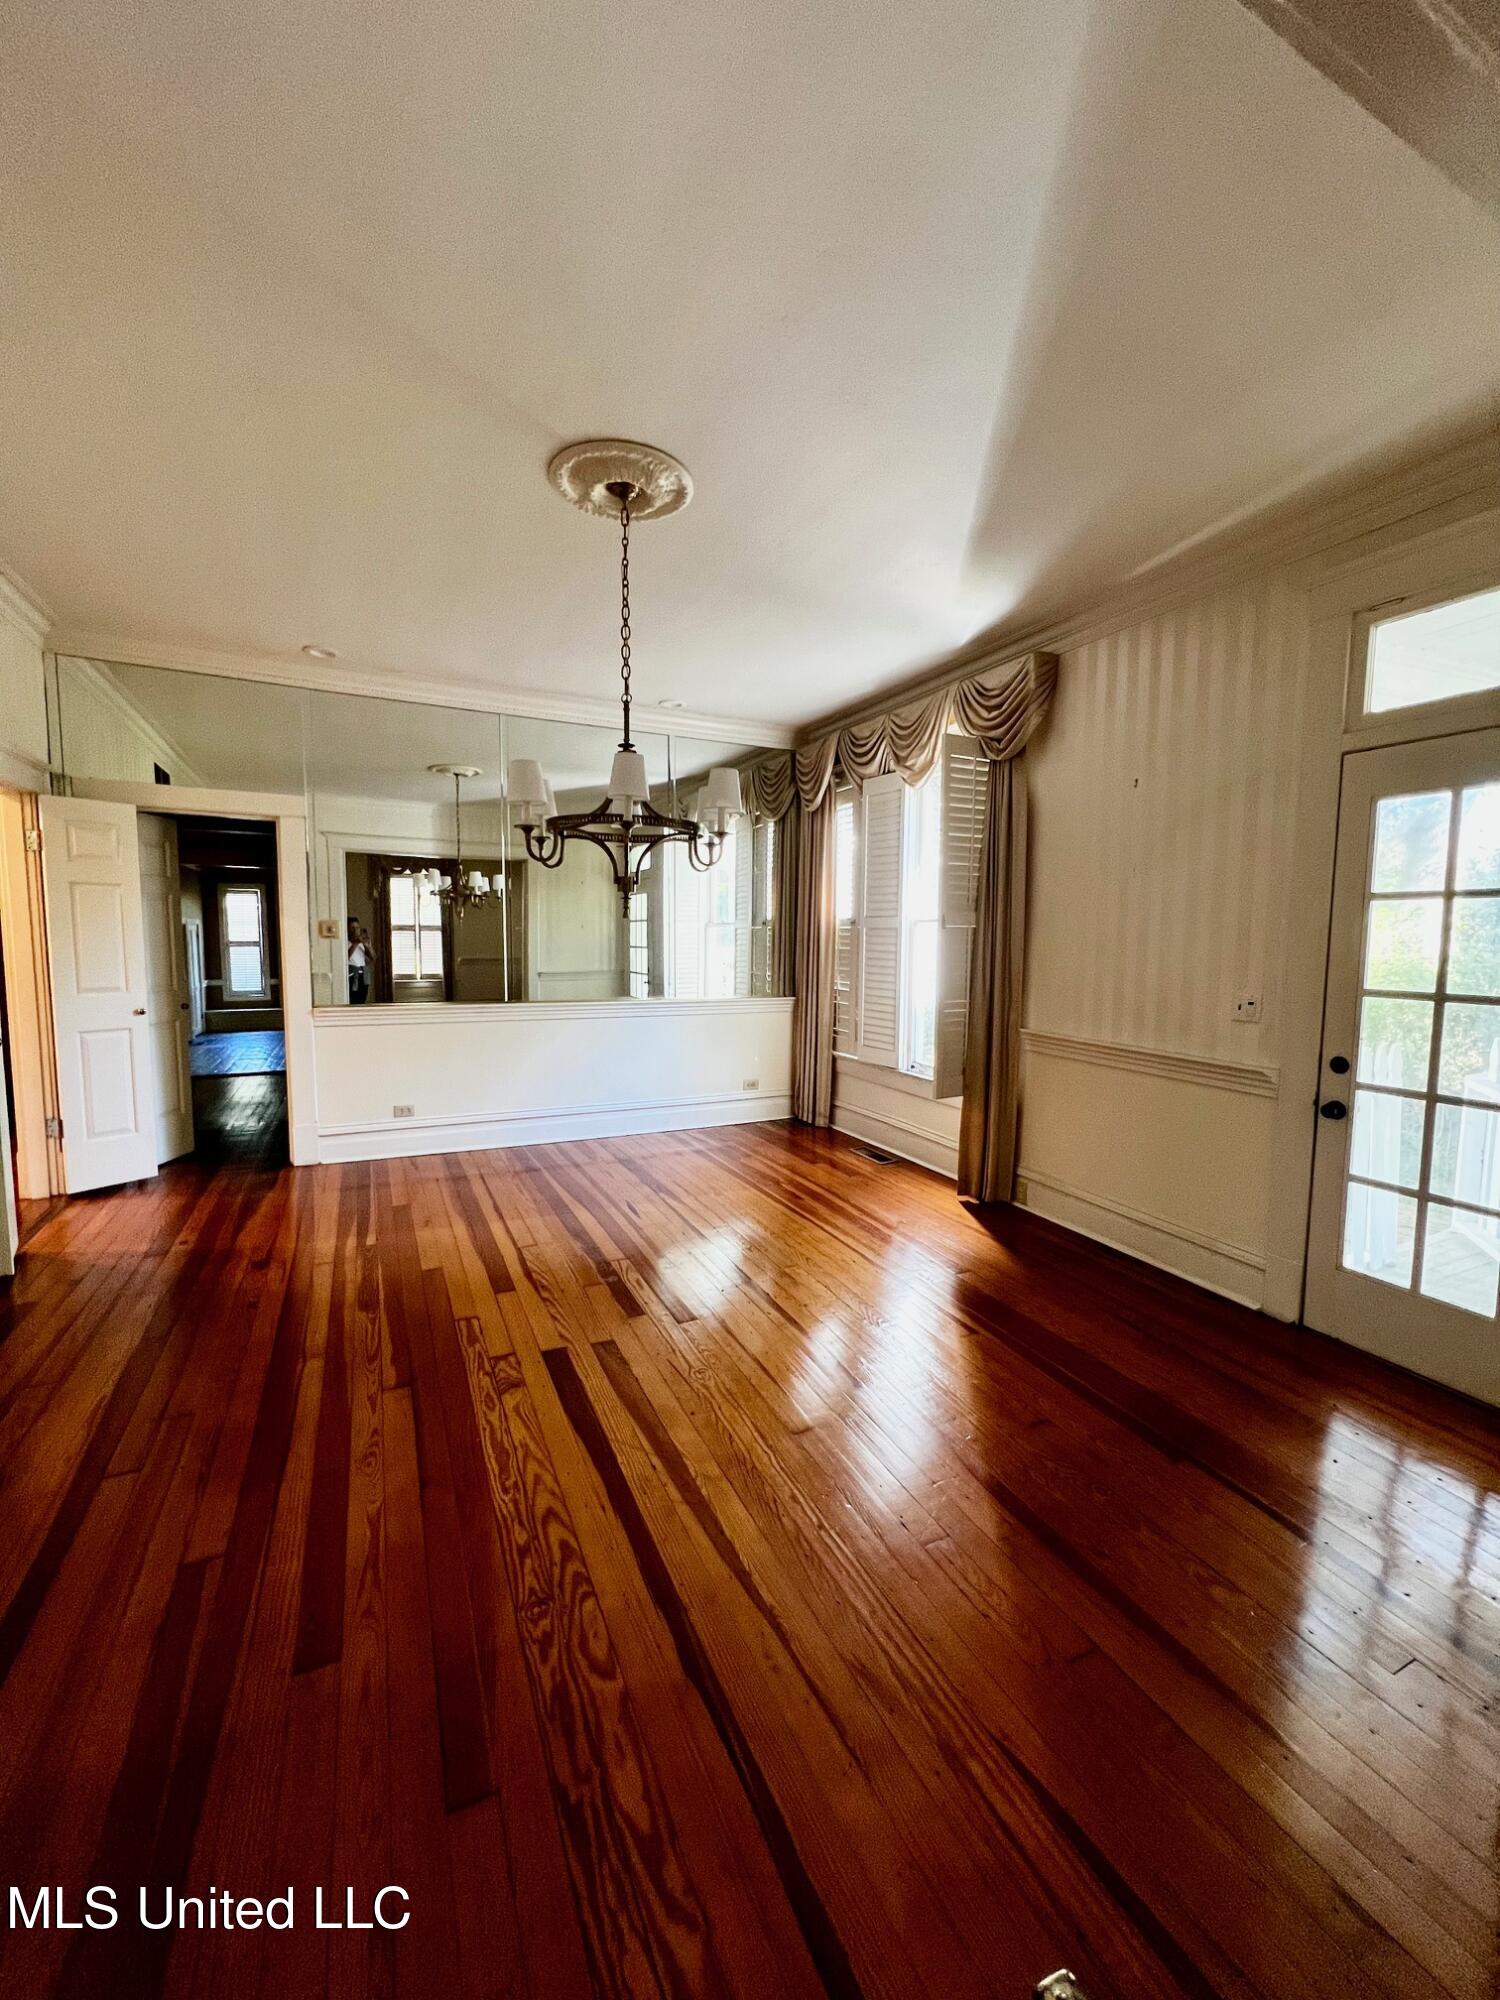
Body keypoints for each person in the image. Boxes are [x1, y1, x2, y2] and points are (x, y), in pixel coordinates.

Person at [347, 919, 374, 1004]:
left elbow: (373, 958)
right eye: (352, 927)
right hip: (351, 974)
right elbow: (345, 957)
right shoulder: (344, 942)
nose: (355, 930)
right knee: (352, 999)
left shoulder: (363, 942)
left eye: (357, 927)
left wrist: (367, 946)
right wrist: (355, 943)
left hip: (363, 973)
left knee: (362, 1000)